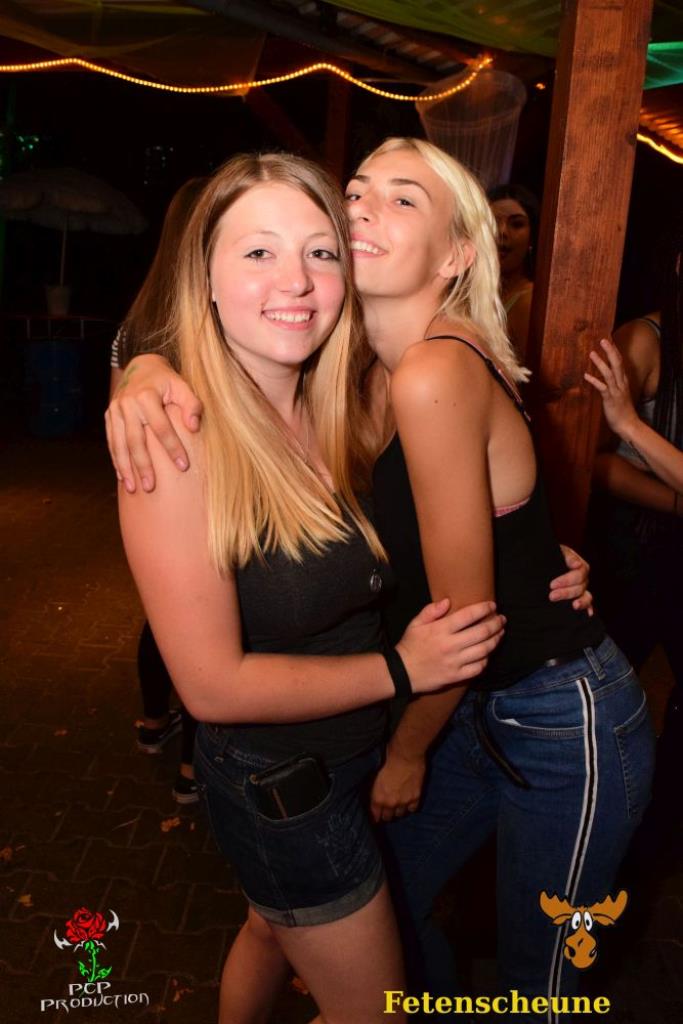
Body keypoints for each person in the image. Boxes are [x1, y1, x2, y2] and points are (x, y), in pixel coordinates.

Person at [105, 142, 616, 1019]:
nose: (295, 279)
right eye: (257, 251)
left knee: (271, 931)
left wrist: (534, 558)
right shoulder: (176, 438)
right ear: (205, 277)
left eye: (318, 250)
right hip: (288, 787)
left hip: (364, 753)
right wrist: (141, 367)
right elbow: (210, 687)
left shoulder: (345, 396)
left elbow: (451, 505)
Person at [584, 221, 683, 864]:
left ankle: (654, 842)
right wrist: (673, 501)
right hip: (634, 554)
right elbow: (592, 461)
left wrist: (631, 425)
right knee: (604, 702)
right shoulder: (643, 341)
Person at [111, 178, 206, 802]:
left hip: (146, 491)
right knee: (212, 630)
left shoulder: (137, 319)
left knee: (164, 620)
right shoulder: (203, 317)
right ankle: (193, 767)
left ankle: (152, 722)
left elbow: (115, 417)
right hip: (199, 493)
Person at [487, 184, 539, 359]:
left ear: (532, 238)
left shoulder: (529, 302)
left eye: (516, 224)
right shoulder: (471, 293)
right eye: (493, 222)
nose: (502, 232)